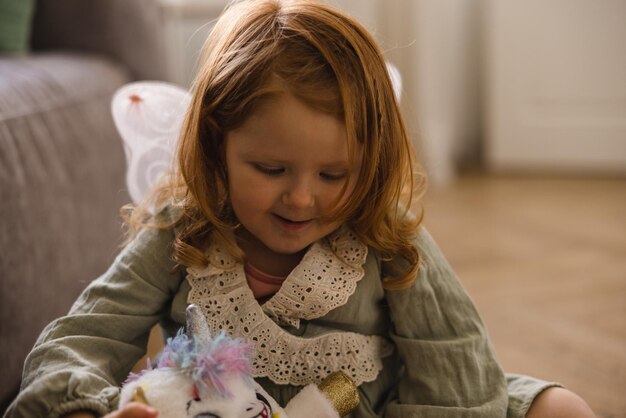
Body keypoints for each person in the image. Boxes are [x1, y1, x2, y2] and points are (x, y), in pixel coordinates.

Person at [5, 1, 597, 417]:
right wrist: (78, 408)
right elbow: (83, 334)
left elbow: (452, 359)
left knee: (563, 409)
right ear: (217, 144)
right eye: (271, 170)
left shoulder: (386, 238)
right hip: (223, 412)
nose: (302, 198)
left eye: (334, 174)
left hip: (392, 405)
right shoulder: (183, 229)